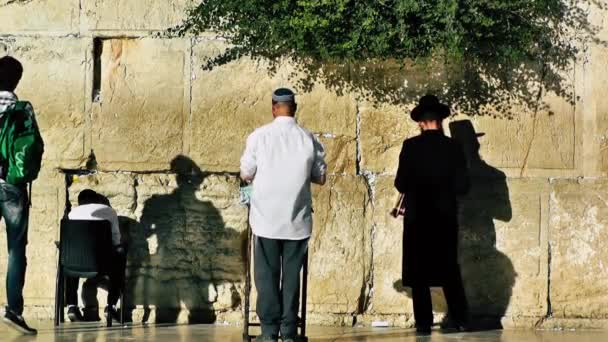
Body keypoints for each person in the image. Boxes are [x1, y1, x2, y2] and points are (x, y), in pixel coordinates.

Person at [240, 88, 327, 342]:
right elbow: (320, 177)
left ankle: (268, 332)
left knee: (266, 276)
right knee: (291, 278)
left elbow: (246, 173)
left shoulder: (259, 137)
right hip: (297, 221)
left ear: (273, 107)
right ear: (294, 107)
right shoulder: (309, 139)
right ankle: (289, 332)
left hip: (266, 219)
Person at [394, 95, 470, 335]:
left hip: (418, 218)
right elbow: (462, 187)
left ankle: (424, 323)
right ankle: (460, 318)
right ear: (441, 120)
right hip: (445, 218)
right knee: (449, 268)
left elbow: (401, 183)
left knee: (418, 272)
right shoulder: (454, 148)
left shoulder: (411, 147)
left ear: (420, 122)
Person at [0, 55, 44, 335]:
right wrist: (17, 177)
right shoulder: (21, 109)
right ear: (17, 80)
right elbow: (33, 147)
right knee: (16, 249)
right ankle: (13, 310)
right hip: (10, 185)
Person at [65, 189, 125, 322]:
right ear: (97, 200)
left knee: (70, 259)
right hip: (104, 264)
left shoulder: (72, 213)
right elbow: (116, 239)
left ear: (80, 202)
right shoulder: (109, 211)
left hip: (77, 264)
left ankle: (72, 306)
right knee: (120, 257)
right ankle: (111, 307)